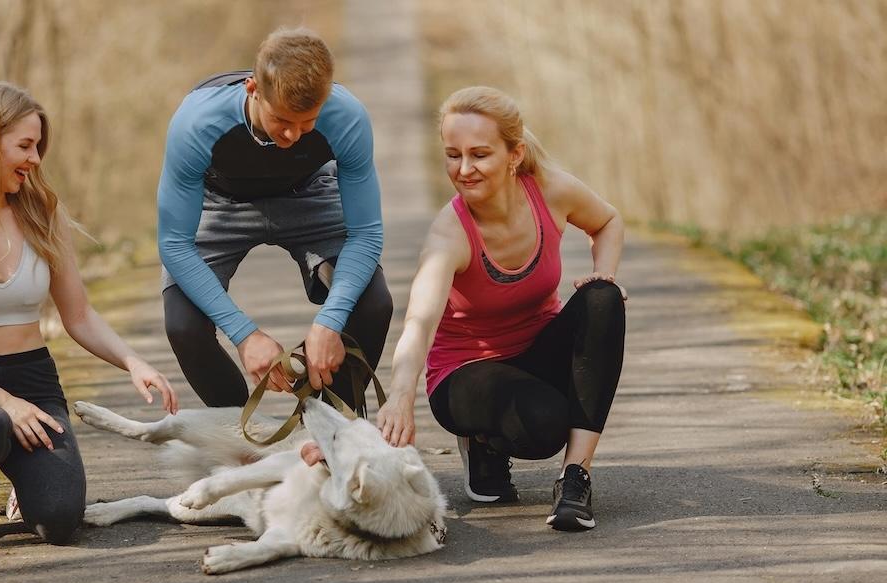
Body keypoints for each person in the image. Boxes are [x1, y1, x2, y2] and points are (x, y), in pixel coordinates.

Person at [0, 81, 177, 544]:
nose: (36, 159)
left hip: (35, 382)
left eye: (38, 146)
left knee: (61, 520)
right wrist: (4, 402)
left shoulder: (43, 213)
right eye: (25, 145)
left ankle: (27, 481)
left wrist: (132, 361)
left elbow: (79, 314)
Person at [377, 86, 626, 532]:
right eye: (453, 155)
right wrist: (400, 396)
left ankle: (576, 478)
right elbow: (420, 321)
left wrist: (601, 271)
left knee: (603, 297)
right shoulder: (449, 235)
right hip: (466, 374)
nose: (464, 169)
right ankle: (481, 441)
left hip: (535, 355)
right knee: (545, 426)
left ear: (514, 154)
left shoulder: (550, 191)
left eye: (479, 154)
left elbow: (607, 221)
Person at [158, 27, 392, 406]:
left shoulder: (347, 117)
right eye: (282, 119)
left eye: (308, 122)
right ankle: (239, 439)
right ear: (253, 89)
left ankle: (331, 432)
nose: (294, 134)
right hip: (220, 201)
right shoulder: (196, 123)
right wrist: (244, 335)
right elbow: (174, 243)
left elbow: (366, 232)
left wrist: (330, 321)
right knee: (183, 326)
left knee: (373, 303)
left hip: (309, 194)